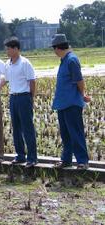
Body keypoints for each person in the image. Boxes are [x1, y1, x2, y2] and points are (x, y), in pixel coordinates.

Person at [51, 34, 90, 170]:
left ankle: (82, 161)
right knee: (65, 134)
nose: (54, 52)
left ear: (58, 48)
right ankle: (66, 160)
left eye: (54, 49)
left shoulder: (72, 60)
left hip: (72, 103)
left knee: (76, 132)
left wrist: (82, 94)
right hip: (62, 103)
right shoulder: (64, 60)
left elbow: (79, 80)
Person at [4, 37, 38, 168]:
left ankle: (32, 158)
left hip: (24, 97)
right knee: (16, 128)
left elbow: (32, 81)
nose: (7, 51)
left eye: (9, 49)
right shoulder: (8, 64)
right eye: (6, 49)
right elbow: (6, 80)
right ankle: (20, 155)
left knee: (27, 128)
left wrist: (31, 98)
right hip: (13, 97)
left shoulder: (25, 63)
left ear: (16, 49)